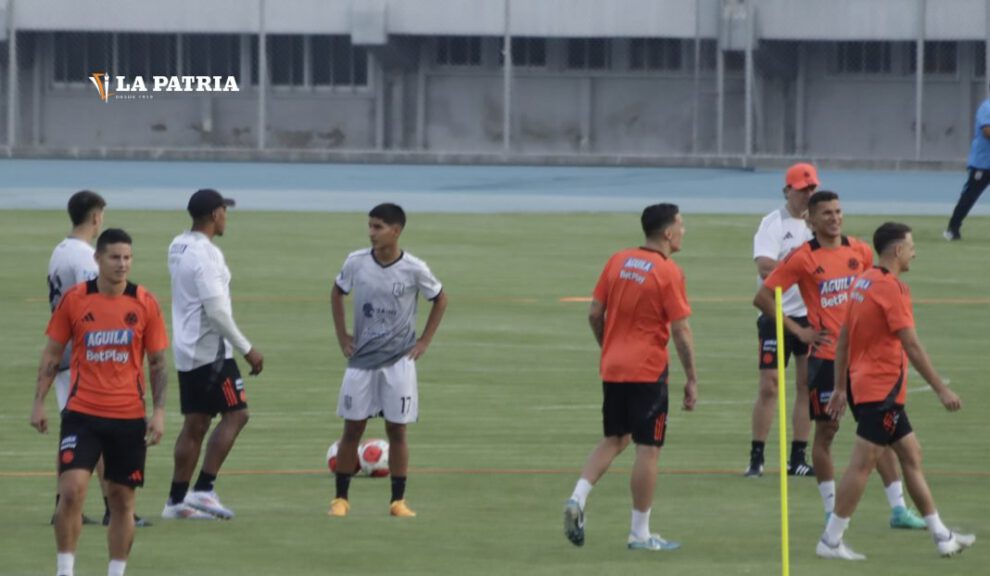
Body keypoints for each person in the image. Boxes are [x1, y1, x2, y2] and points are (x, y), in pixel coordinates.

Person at [754, 192, 925, 529]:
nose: (834, 218)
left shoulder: (859, 251)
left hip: (862, 362)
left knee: (881, 432)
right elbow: (762, 297)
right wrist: (798, 332)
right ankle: (831, 507)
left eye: (838, 211)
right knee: (827, 433)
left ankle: (898, 509)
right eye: (826, 213)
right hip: (826, 360)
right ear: (811, 220)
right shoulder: (802, 258)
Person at [817, 222, 975, 559]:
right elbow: (912, 346)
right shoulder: (892, 289)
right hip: (881, 391)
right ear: (897, 250)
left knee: (911, 454)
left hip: (866, 388)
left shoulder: (863, 281)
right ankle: (831, 540)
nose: (915, 251)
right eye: (911, 245)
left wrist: (840, 386)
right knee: (862, 465)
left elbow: (843, 335)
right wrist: (940, 389)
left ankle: (941, 534)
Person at [31, 228, 169, 576]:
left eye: (127, 258)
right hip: (82, 415)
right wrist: (39, 402)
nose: (122, 264)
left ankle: (116, 572)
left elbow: (157, 363)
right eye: (114, 257)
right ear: (98, 260)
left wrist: (160, 413)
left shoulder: (145, 302)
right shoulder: (76, 300)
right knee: (72, 490)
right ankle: (65, 570)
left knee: (122, 500)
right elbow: (51, 354)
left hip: (128, 418)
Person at [563, 203, 697, 551]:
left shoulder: (618, 260)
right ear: (668, 233)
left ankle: (578, 497)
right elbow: (681, 332)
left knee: (615, 438)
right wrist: (692, 378)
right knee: (648, 448)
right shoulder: (668, 272)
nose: (684, 231)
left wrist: (608, 346)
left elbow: (594, 313)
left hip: (613, 366)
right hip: (647, 369)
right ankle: (640, 532)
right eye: (681, 225)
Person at [328, 203, 448, 518]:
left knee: (397, 431)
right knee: (352, 429)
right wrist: (343, 336)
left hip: (399, 363)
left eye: (378, 227)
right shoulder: (356, 263)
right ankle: (340, 499)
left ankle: (398, 502)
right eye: (370, 226)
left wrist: (424, 341)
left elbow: (440, 298)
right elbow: (337, 292)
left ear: (396, 231)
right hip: (361, 361)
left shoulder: (414, 268)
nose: (371, 233)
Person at [163, 189, 264, 520]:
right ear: (215, 215)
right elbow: (217, 312)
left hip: (187, 347)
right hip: (210, 351)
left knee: (197, 422)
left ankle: (176, 501)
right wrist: (247, 349)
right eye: (225, 211)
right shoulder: (207, 255)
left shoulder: (178, 244)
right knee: (237, 414)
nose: (227, 217)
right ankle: (203, 489)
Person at [746, 163, 816, 478]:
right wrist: (800, 270)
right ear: (787, 190)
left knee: (806, 386)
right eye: (803, 189)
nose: (808, 194)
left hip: (811, 317)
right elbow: (764, 267)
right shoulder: (773, 224)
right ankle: (757, 457)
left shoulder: (820, 224)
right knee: (770, 386)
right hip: (775, 314)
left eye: (812, 188)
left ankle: (797, 458)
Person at [944, 84, 990, 241]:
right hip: (983, 163)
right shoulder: (986, 107)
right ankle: (952, 228)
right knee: (970, 196)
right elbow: (987, 131)